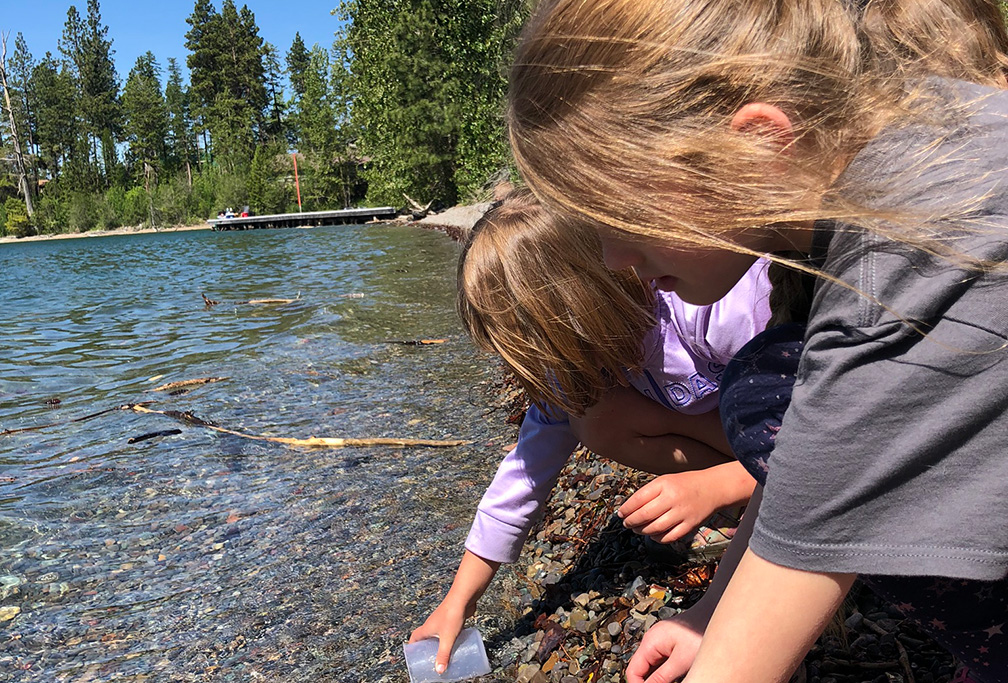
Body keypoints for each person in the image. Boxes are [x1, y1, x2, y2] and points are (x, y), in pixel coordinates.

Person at [506, 0, 1008, 681]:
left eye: (616, 218)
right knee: (767, 384)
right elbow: (813, 464)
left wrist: (734, 642)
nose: (611, 258)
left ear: (757, 143)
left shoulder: (903, 268)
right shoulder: (915, 138)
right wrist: (713, 617)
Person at [409, 189, 772, 672]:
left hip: (786, 437)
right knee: (592, 417)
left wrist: (719, 484)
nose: (544, 369)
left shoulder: (709, 305)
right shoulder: (577, 367)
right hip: (738, 441)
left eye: (544, 349)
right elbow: (523, 474)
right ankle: (747, 495)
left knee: (762, 456)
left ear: (584, 305)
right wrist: (461, 600)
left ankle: (749, 491)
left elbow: (820, 437)